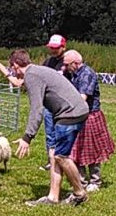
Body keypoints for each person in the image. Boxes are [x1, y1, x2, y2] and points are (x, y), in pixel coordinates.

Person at [8, 49, 90, 206]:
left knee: (61, 156)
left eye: (12, 68)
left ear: (16, 65)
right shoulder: (37, 71)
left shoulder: (31, 75)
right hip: (71, 111)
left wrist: (27, 137)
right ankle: (53, 197)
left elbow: (36, 109)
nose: (13, 71)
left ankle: (79, 193)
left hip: (71, 114)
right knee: (54, 154)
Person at [63, 50, 115, 191]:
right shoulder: (71, 73)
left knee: (93, 149)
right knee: (76, 149)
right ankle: (80, 181)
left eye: (67, 64)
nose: (64, 67)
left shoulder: (87, 73)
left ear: (75, 63)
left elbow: (82, 98)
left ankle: (95, 181)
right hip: (76, 115)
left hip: (90, 115)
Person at [38, 34, 68, 171]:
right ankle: (51, 160)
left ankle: (65, 159)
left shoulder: (68, 62)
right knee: (50, 133)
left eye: (56, 48)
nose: (53, 50)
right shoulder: (48, 62)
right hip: (49, 104)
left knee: (64, 133)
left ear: (63, 47)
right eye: (52, 48)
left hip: (64, 104)